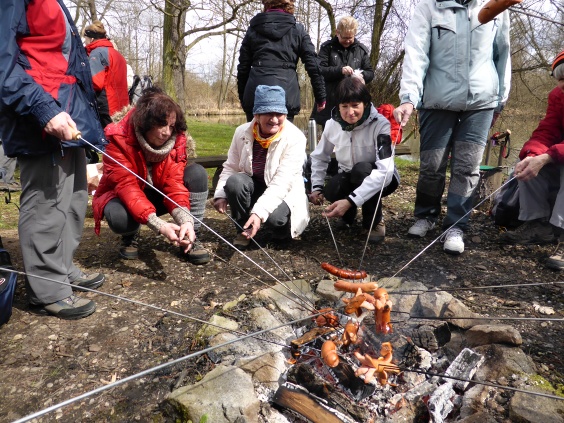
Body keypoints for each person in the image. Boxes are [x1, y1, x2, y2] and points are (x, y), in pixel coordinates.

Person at [0, 0, 107, 319]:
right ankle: (48, 290)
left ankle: (61, 268)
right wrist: (44, 110)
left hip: (68, 113)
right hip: (38, 116)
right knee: (47, 203)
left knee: (73, 198)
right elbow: (4, 65)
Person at [393, 0, 511, 255]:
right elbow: (416, 53)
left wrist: (501, 98)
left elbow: (503, 54)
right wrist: (409, 98)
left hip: (480, 101)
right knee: (432, 164)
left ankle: (457, 225)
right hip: (436, 99)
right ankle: (426, 215)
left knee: (467, 167)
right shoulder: (429, 7)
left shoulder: (496, 6)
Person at [92, 88, 211, 265]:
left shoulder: (176, 141)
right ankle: (130, 235)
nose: (167, 132)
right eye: (162, 124)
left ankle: (191, 236)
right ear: (146, 122)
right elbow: (127, 187)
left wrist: (186, 221)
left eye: (171, 126)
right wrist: (159, 225)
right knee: (119, 218)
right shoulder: (117, 139)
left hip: (158, 195)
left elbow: (174, 184)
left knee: (197, 173)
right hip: (124, 196)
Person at [213, 85, 310, 249]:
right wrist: (220, 194)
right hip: (255, 184)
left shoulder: (295, 138)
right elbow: (230, 167)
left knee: (275, 218)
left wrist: (259, 212)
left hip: (284, 191)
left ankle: (281, 231)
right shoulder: (241, 132)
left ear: (285, 114)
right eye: (268, 113)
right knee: (234, 182)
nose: (274, 119)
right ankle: (243, 229)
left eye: (279, 114)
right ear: (256, 114)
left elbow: (282, 182)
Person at [309, 77, 400, 244]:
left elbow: (385, 172)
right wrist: (316, 187)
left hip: (380, 177)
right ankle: (347, 216)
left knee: (362, 171)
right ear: (338, 106)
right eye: (344, 106)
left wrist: (351, 201)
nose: (350, 112)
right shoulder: (332, 125)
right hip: (348, 174)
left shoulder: (381, 124)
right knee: (331, 190)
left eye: (355, 106)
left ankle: (373, 221)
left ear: (364, 104)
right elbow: (319, 156)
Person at [500, 51, 564, 270]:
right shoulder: (557, 96)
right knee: (530, 164)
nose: (563, 83)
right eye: (560, 78)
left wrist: (549, 156)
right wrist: (533, 155)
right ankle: (537, 224)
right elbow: (547, 131)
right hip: (560, 153)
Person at [237, 0, 326, 122]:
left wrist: (243, 97)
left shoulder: (253, 30)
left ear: (266, 4)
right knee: (284, 140)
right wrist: (321, 97)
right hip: (286, 93)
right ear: (289, 5)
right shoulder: (298, 30)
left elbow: (243, 67)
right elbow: (314, 66)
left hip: (256, 93)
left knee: (254, 139)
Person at [310, 16, 375, 129]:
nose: (348, 40)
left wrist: (362, 76)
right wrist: (340, 70)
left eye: (351, 37)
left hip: (354, 101)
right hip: (331, 101)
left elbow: (370, 72)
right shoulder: (327, 48)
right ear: (337, 33)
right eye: (344, 37)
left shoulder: (361, 50)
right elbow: (320, 70)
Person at [84, 20, 129, 128]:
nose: (85, 42)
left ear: (91, 38)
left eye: (85, 39)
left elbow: (95, 82)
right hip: (123, 107)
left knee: (106, 141)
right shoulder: (118, 55)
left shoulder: (97, 53)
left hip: (107, 108)